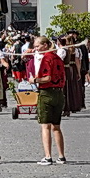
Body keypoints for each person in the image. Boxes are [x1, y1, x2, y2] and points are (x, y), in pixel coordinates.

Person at [24, 36, 67, 165]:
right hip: (59, 93)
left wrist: (34, 80)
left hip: (47, 92)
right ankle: (61, 156)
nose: (36, 48)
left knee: (45, 126)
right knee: (57, 127)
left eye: (38, 46)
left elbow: (47, 77)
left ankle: (48, 156)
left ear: (45, 45)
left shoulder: (46, 58)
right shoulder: (57, 58)